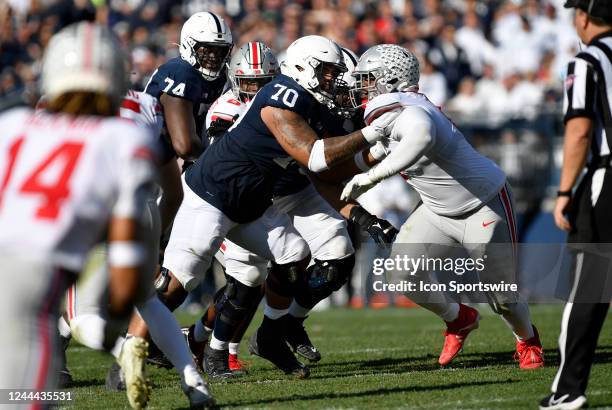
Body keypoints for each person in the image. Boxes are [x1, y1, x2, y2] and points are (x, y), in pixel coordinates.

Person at [161, 35, 399, 378]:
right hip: (234, 193)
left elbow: (325, 171)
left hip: (292, 187)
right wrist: (373, 139)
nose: (254, 88)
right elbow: (314, 159)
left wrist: (363, 210)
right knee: (245, 274)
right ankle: (203, 346)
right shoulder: (247, 106)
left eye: (262, 82)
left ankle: (277, 329)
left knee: (323, 255)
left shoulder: (318, 104)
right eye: (249, 83)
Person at [342, 44, 544, 370]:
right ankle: (459, 318)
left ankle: (527, 340)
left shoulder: (413, 112)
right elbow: (375, 152)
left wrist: (370, 180)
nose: (360, 86)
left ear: (389, 81)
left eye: (367, 79)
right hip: (437, 210)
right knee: (403, 275)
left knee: (502, 297)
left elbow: (418, 138)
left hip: (483, 204)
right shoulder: (393, 113)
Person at [0, 22, 156, 409]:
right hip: (27, 282)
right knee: (26, 399)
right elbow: (125, 267)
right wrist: (116, 336)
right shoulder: (124, 139)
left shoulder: (13, 124)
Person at [541, 1, 612, 409]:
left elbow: (580, 130)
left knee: (590, 286)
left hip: (607, 178)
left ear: (584, 17)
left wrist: (565, 192)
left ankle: (568, 390)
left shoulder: (588, 60)